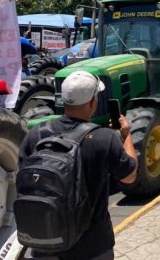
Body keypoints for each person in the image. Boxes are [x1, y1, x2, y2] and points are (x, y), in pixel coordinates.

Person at [19, 71, 138, 259]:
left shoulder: (37, 134)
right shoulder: (104, 138)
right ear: (92, 102)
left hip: (45, 244)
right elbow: (129, 176)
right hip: (91, 247)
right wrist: (126, 135)